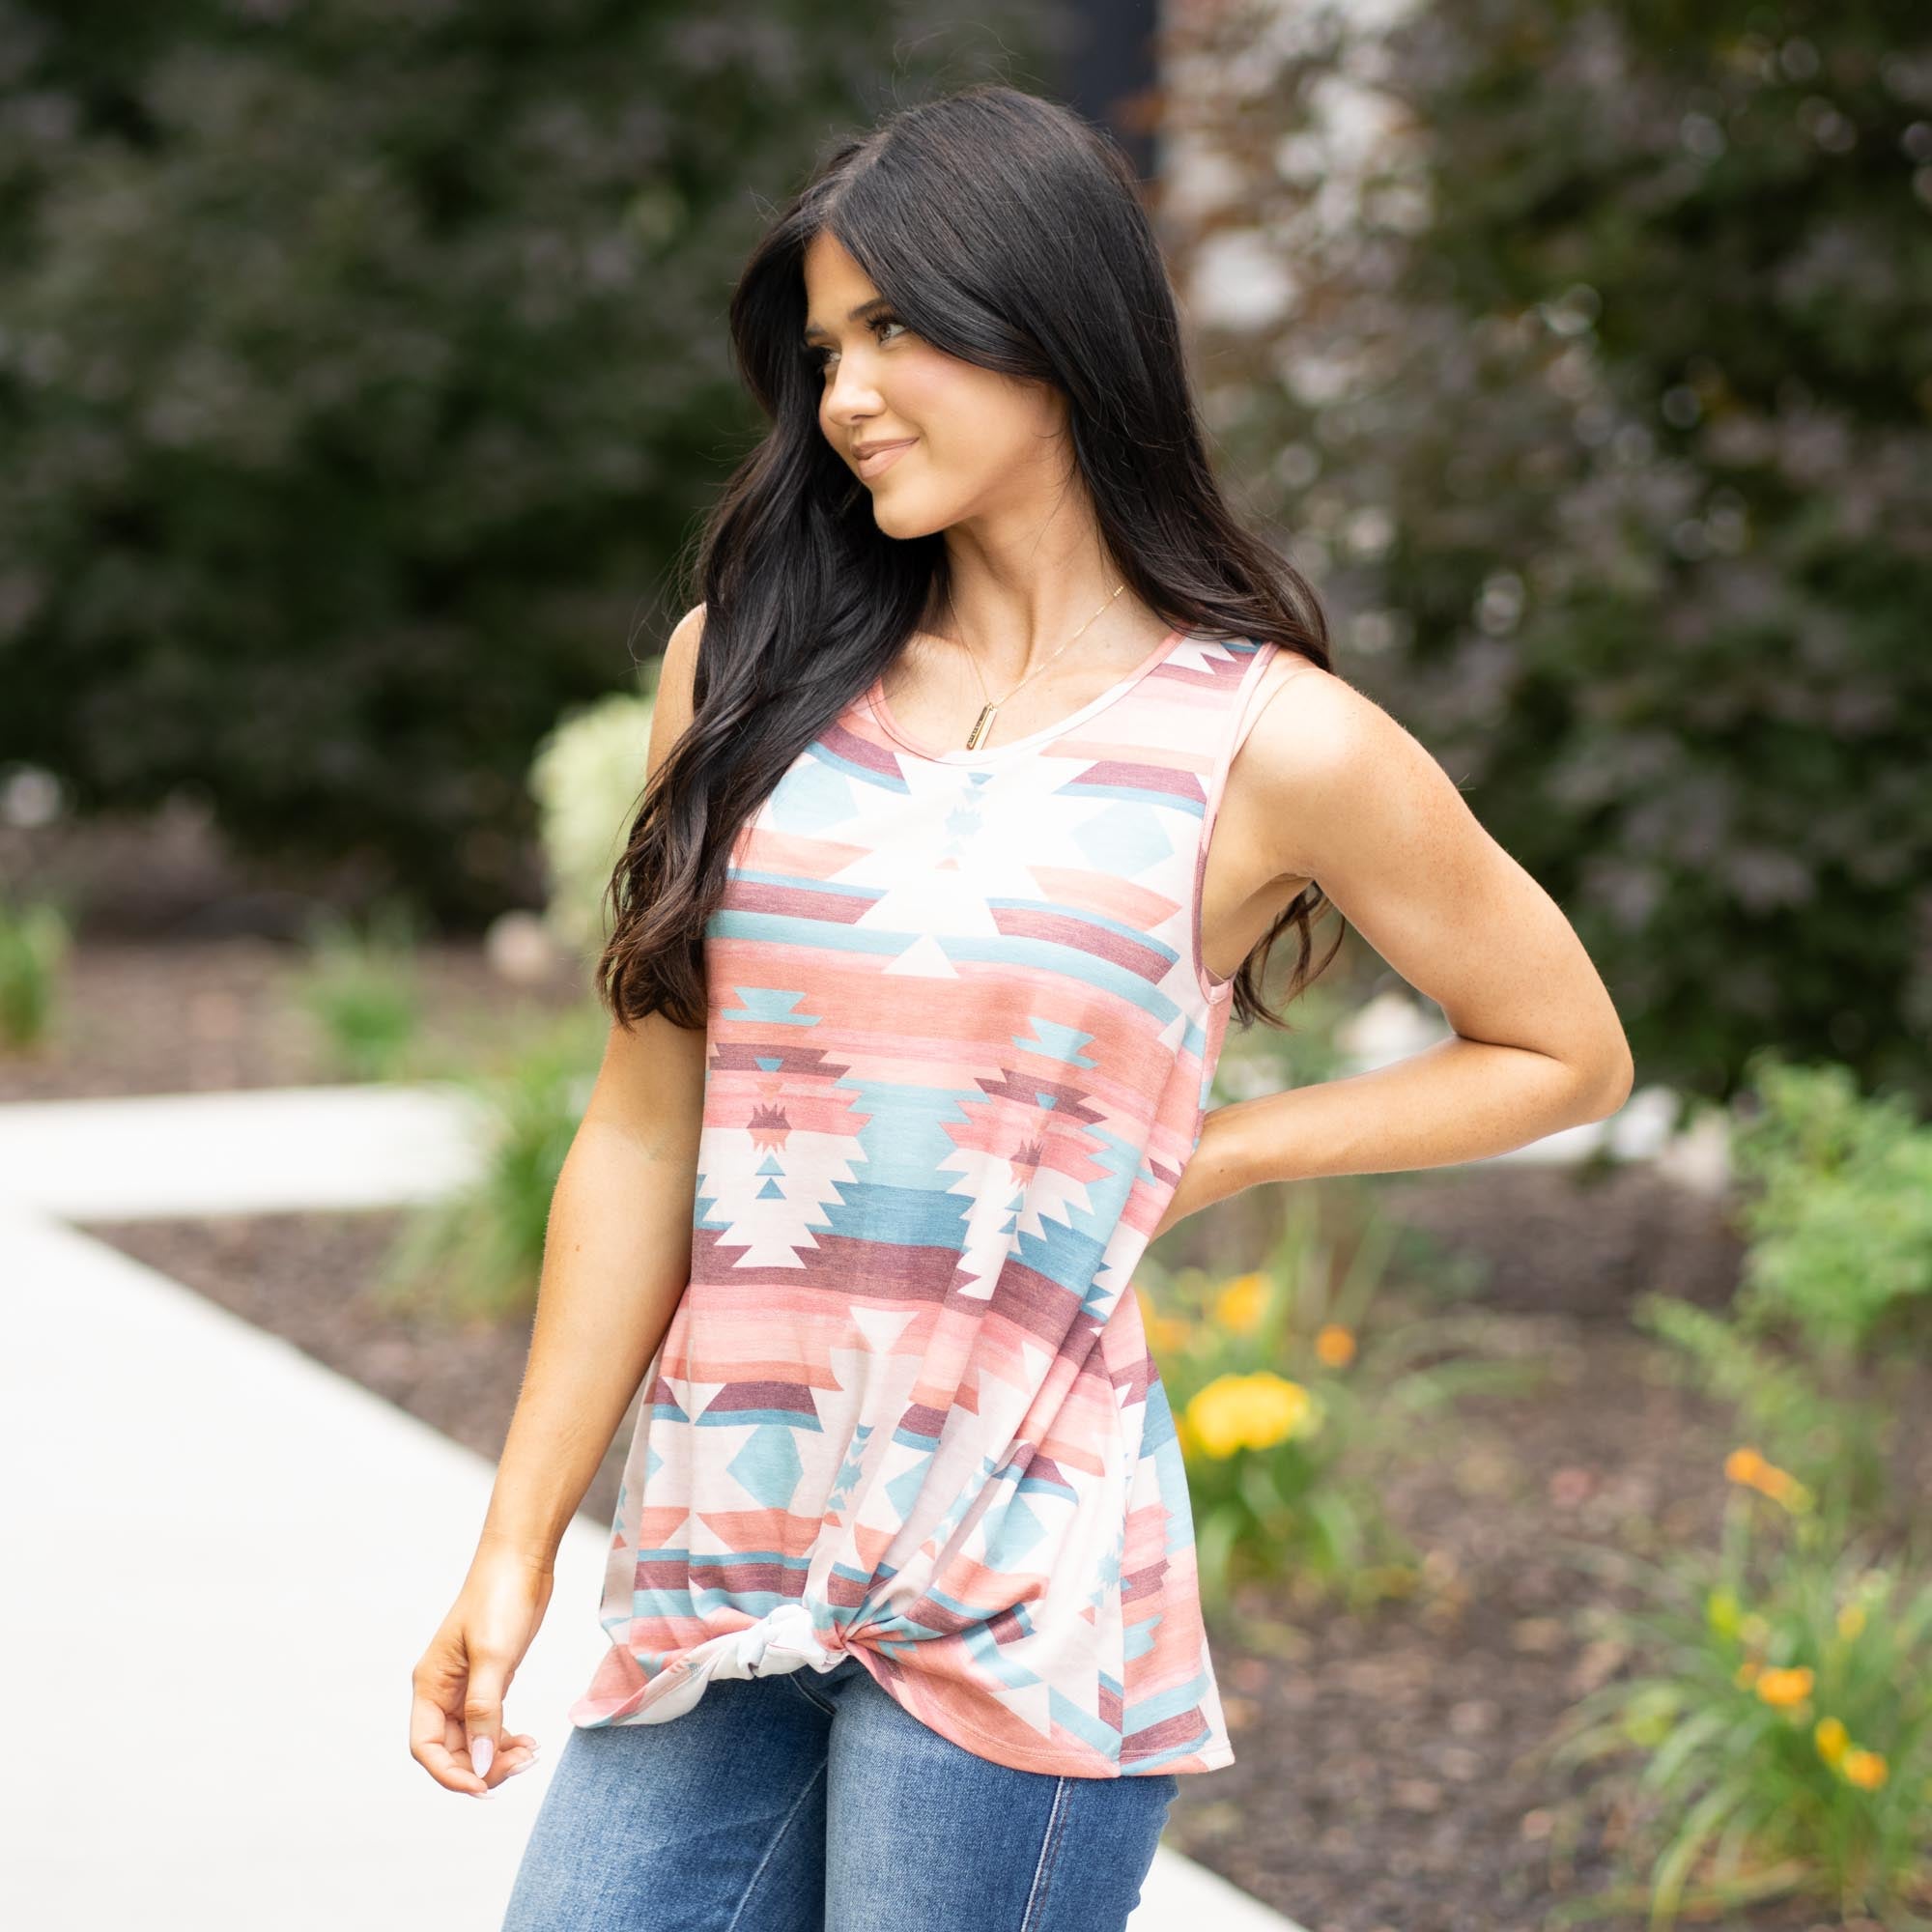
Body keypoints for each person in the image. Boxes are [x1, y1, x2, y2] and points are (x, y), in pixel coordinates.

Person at [409, 81, 1634, 1932]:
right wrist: (516, 1548)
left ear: (1053, 330)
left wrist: (1221, 1155)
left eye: (896, 330)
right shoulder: (741, 675)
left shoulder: (1267, 740)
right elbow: (644, 1130)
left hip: (1021, 1604)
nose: (845, 396)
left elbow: (1563, 1048)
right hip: (717, 1573)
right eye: (826, 349)